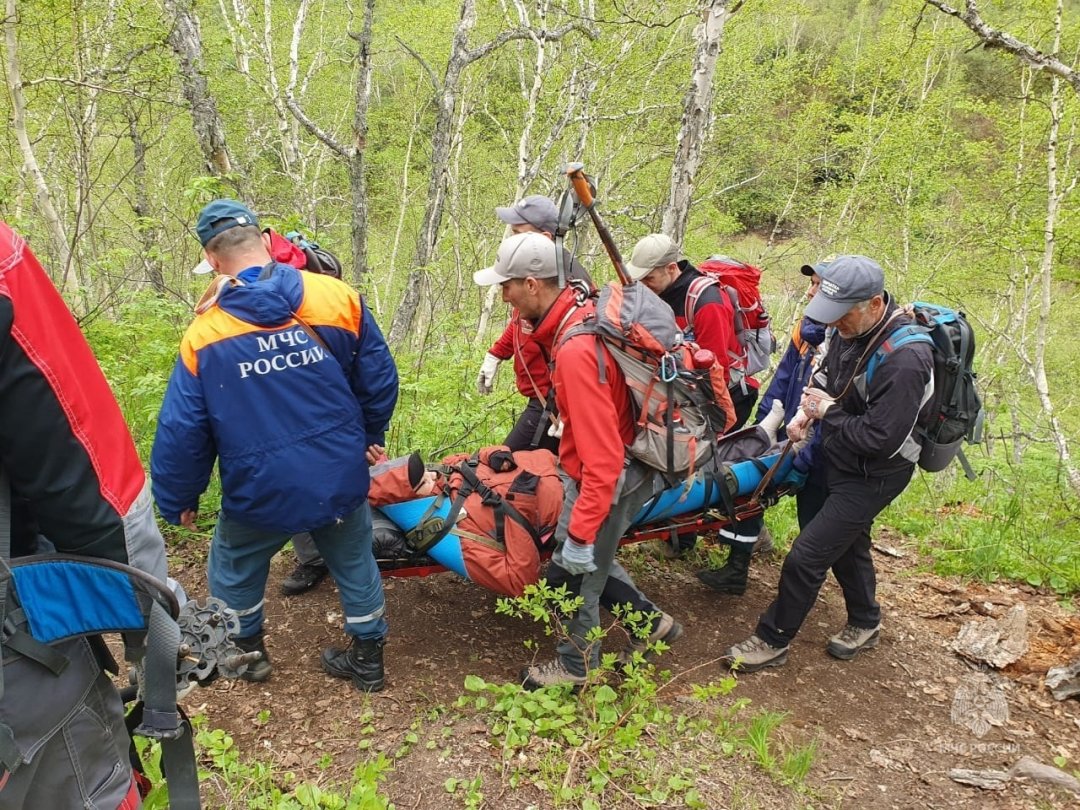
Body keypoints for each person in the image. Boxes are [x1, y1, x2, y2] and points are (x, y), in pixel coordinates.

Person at [151, 199, 399, 692]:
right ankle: (369, 658)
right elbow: (379, 377)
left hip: (260, 486)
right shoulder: (336, 298)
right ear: (265, 241)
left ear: (213, 258)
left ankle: (249, 655)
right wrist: (367, 437)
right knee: (353, 559)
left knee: (234, 564)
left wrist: (179, 497)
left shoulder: (206, 333)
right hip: (336, 473)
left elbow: (184, 428)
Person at [0, 222, 170, 807]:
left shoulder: (212, 328)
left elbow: (193, 422)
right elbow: (93, 486)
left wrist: (189, 489)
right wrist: (151, 628)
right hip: (18, 678)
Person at [475, 232, 681, 689]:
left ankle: (576, 665)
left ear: (532, 284)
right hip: (629, 460)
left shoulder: (573, 348)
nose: (503, 294)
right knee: (593, 560)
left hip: (611, 474)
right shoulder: (579, 310)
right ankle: (651, 627)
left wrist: (582, 531)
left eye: (506, 285)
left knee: (572, 571)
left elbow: (603, 460)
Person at [724, 255, 933, 672]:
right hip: (837, 453)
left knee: (807, 555)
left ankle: (772, 640)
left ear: (875, 304)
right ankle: (866, 621)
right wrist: (803, 415)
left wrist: (828, 413)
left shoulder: (906, 360)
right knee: (845, 542)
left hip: (877, 472)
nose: (836, 323)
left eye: (844, 315)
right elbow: (824, 379)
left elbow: (880, 438)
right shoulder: (848, 330)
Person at [696, 259, 831, 594]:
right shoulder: (807, 329)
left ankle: (857, 612)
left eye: (818, 285)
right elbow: (784, 376)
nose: (810, 291)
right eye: (811, 284)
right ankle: (736, 570)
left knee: (818, 527)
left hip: (824, 446)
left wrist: (804, 458)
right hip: (792, 432)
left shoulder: (843, 340)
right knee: (750, 490)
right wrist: (764, 426)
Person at [625, 233, 751, 559]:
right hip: (685, 391)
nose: (644, 284)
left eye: (648, 278)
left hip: (724, 394)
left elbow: (714, 369)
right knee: (678, 461)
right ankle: (679, 539)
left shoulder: (707, 304)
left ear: (670, 268)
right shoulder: (661, 293)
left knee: (701, 464)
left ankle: (741, 542)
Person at [475, 195, 593, 453]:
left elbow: (581, 351)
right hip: (540, 398)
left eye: (519, 233)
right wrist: (496, 353)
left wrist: (571, 406)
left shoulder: (564, 287)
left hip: (552, 402)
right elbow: (521, 322)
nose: (512, 240)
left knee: (509, 464)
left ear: (545, 239)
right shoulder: (534, 283)